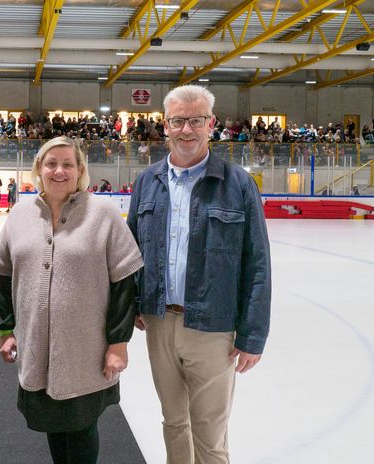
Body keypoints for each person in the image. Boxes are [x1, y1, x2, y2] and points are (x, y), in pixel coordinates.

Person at [127, 85, 271, 464]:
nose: (186, 130)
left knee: (209, 432)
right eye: (178, 121)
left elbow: (257, 263)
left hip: (213, 326)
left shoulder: (237, 183)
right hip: (159, 322)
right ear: (165, 126)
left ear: (211, 125)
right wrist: (135, 304)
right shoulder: (147, 182)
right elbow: (130, 253)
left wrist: (253, 334)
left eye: (195, 121)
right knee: (174, 422)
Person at [0, 136, 143, 464]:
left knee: (82, 427)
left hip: (85, 351)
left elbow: (124, 285)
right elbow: (3, 277)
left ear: (80, 170)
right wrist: (5, 330)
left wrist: (118, 344)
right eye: (51, 163)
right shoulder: (19, 214)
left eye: (67, 164)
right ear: (39, 169)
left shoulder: (103, 215)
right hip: (37, 347)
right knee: (53, 425)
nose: (59, 170)